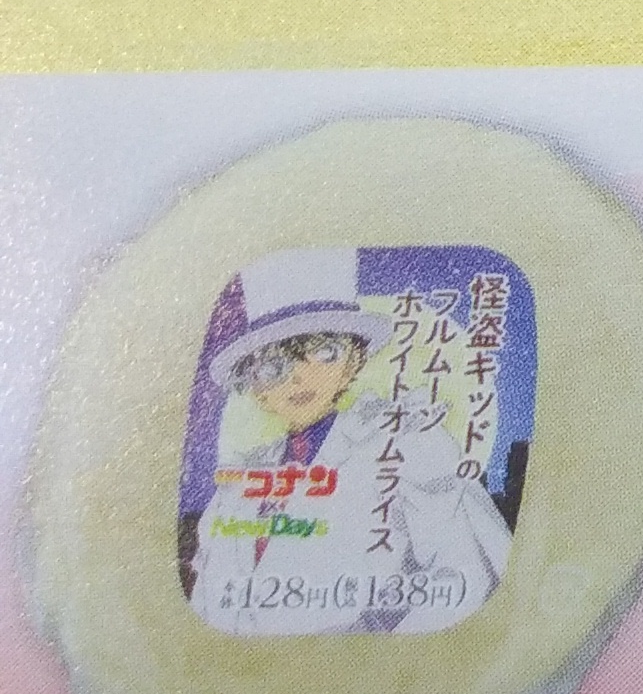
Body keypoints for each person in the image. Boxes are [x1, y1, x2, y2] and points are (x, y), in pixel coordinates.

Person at [183, 254, 513, 636]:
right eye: (273, 367)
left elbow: (467, 574)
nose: (299, 377)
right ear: (255, 389)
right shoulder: (239, 482)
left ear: (354, 360)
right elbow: (207, 601)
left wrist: (375, 659)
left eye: (325, 352)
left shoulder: (404, 440)